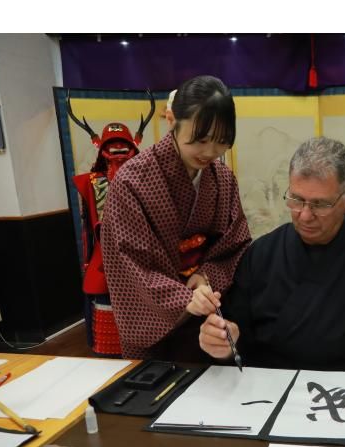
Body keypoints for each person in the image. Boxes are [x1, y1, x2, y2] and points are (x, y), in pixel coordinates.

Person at [199, 137, 345, 373]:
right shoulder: (262, 254)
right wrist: (225, 343)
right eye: (297, 200)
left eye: (320, 205)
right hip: (273, 390)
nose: (305, 215)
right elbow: (237, 334)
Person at [101, 75, 252, 360]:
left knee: (211, 392)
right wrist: (185, 297)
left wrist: (206, 275)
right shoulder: (132, 181)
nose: (210, 152)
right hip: (155, 314)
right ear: (172, 121)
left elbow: (236, 242)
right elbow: (128, 263)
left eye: (221, 142)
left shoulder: (223, 179)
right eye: (201, 140)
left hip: (207, 304)